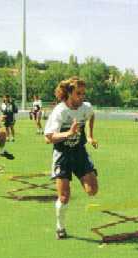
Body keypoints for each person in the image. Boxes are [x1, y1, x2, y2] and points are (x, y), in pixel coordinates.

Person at [44, 77, 98, 239]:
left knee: (92, 190)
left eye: (83, 94)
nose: (82, 97)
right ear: (69, 93)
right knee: (64, 196)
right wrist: (69, 133)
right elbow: (48, 138)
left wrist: (89, 136)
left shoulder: (85, 107)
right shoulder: (60, 111)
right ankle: (60, 227)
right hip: (63, 155)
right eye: (78, 94)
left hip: (79, 153)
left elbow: (92, 116)